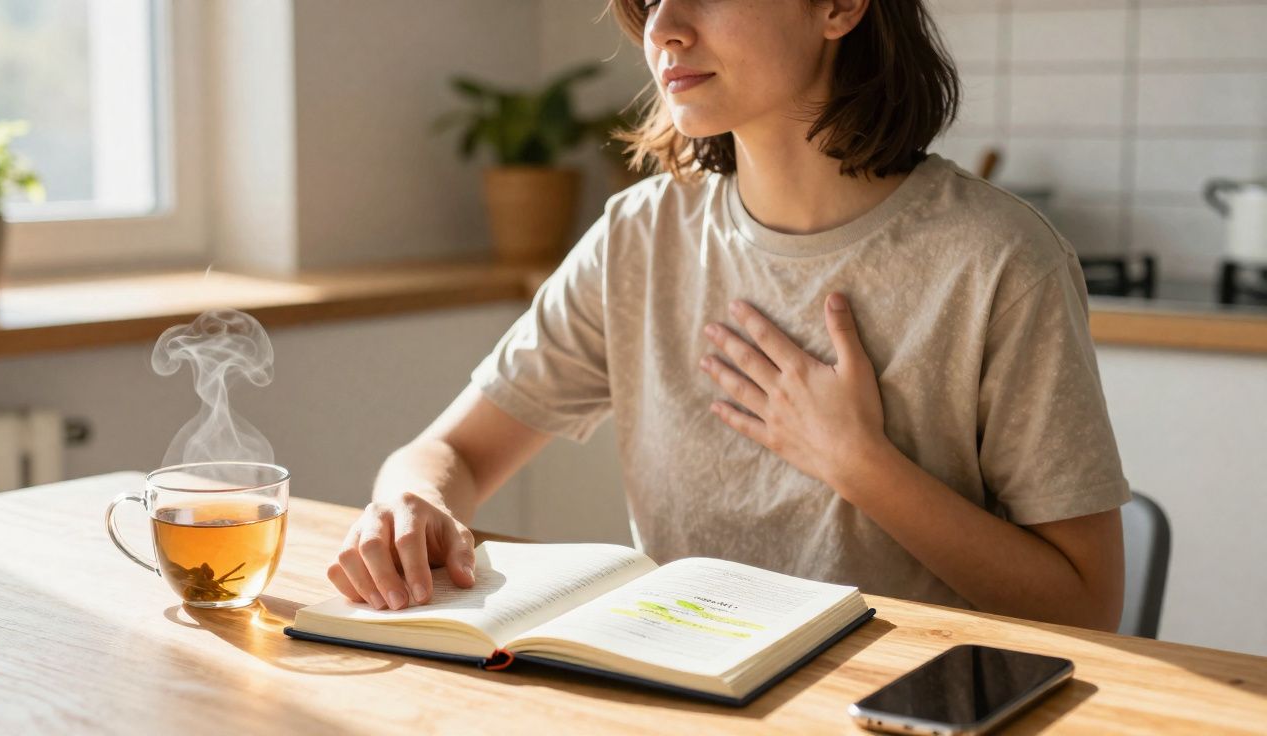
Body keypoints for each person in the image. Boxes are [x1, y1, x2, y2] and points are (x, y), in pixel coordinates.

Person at [327, 0, 1131, 631]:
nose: (663, 28)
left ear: (840, 6)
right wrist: (413, 500)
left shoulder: (1001, 260)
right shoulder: (638, 238)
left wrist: (860, 465)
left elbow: (1086, 608)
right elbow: (448, 454)